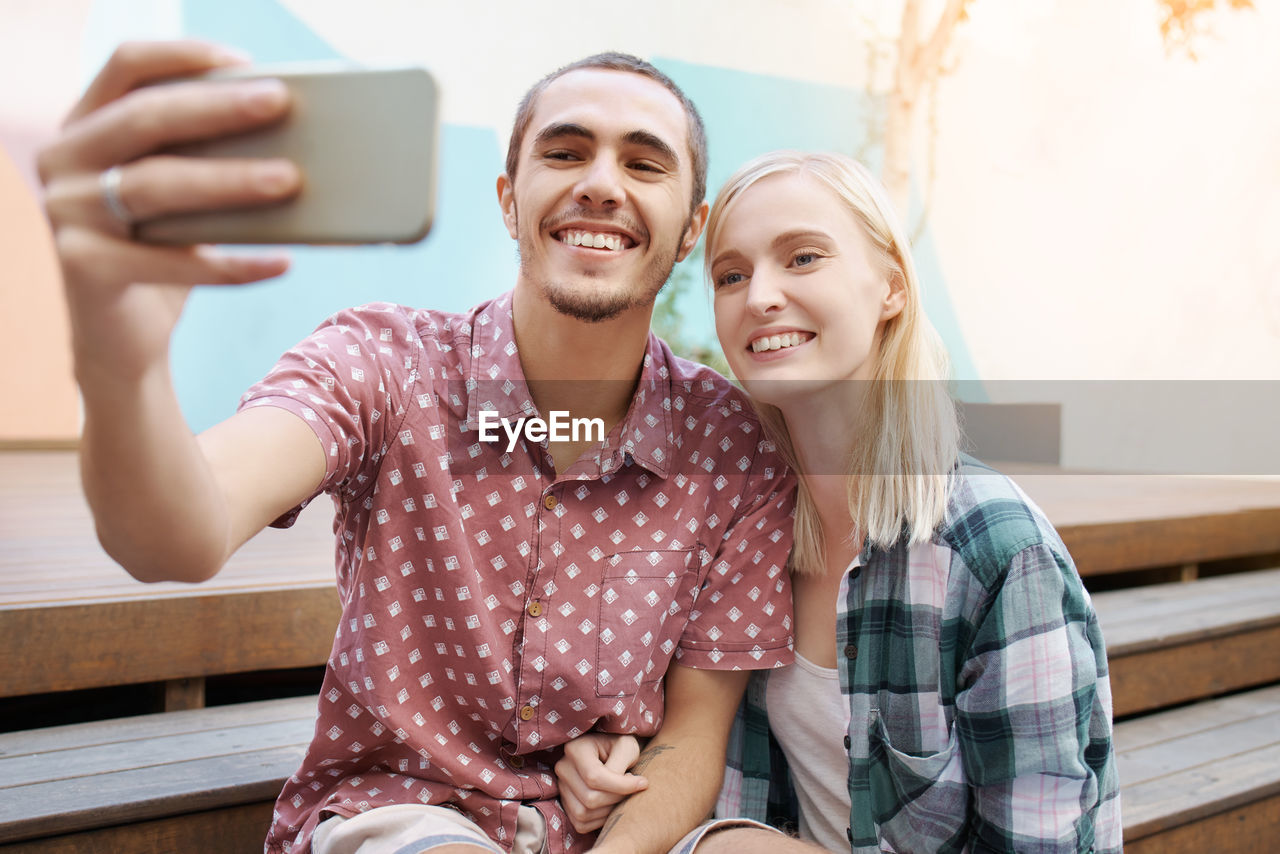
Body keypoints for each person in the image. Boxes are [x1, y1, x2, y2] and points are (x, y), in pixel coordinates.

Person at [37, 42, 798, 854]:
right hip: (403, 818)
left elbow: (691, 739)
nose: (602, 184)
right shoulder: (386, 365)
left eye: (645, 165)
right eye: (565, 152)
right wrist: (121, 363)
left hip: (615, 832)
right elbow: (177, 532)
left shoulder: (733, 446)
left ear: (691, 229)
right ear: (509, 201)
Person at [556, 151, 1123, 853]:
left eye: (802, 259)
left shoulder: (997, 552)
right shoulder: (735, 525)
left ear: (889, 286)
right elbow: (685, 736)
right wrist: (615, 756)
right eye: (731, 274)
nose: (759, 295)